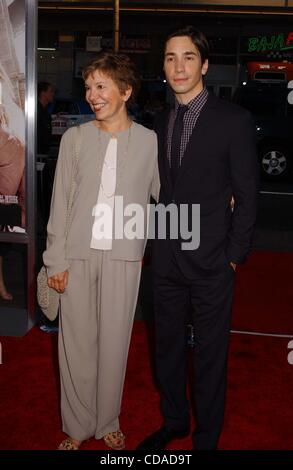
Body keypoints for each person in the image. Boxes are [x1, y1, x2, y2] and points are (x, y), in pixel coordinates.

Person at [137, 26, 258, 451]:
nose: (178, 66)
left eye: (188, 57)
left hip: (212, 263)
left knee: (209, 356)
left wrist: (233, 256)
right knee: (167, 350)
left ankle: (206, 437)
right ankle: (174, 421)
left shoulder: (234, 120)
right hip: (167, 259)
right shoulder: (160, 119)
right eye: (170, 58)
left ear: (204, 65)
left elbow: (246, 195)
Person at [43, 52, 159, 450]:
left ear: (125, 91)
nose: (92, 95)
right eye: (89, 87)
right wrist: (55, 259)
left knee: (115, 343)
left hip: (124, 257)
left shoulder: (148, 141)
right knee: (74, 344)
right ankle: (76, 426)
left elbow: (170, 194)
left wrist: (219, 198)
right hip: (76, 254)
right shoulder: (75, 138)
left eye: (101, 86)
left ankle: (108, 419)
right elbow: (60, 202)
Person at [37, 81, 55, 154]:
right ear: (43, 93)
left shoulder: (44, 110)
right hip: (38, 153)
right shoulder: (36, 111)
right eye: (51, 91)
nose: (53, 94)